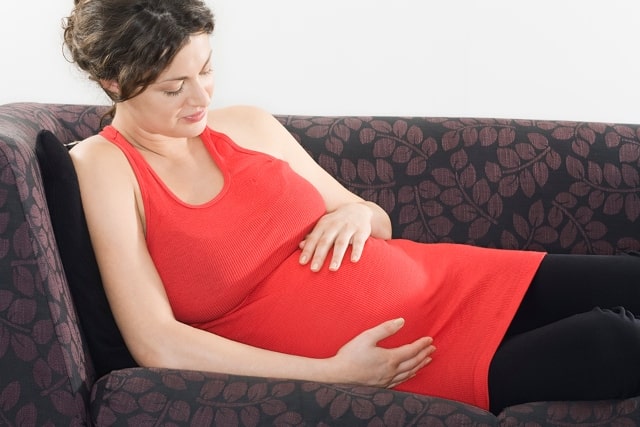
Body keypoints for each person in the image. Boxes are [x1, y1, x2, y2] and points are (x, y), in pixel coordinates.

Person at [63, 0, 640, 414]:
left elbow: (375, 219)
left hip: (455, 281)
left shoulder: (246, 126)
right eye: (173, 87)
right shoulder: (104, 165)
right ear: (114, 82)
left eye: (207, 69)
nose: (201, 97)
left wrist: (354, 213)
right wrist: (332, 375)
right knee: (609, 341)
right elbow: (156, 342)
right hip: (405, 359)